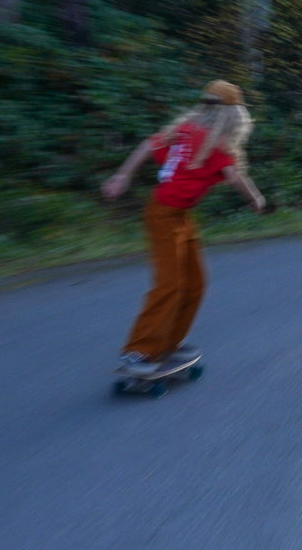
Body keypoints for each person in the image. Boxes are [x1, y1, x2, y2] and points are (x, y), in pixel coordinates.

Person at [102, 80, 266, 376]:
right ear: (234, 116)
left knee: (194, 282)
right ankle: (139, 351)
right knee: (171, 284)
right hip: (163, 215)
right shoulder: (215, 146)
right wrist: (255, 197)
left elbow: (146, 145)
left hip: (178, 216)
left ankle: (170, 341)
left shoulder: (185, 131)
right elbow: (235, 177)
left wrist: (122, 175)